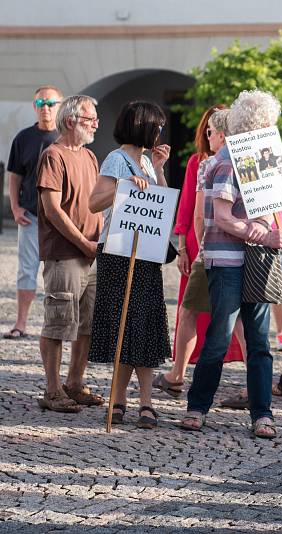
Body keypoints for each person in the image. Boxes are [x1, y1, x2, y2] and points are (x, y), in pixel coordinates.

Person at [180, 89, 282, 438]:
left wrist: (279, 231)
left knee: (258, 341)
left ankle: (262, 414)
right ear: (255, 125)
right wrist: (268, 236)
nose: (271, 130)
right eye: (268, 124)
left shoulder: (259, 159)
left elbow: (271, 211)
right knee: (219, 337)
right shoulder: (227, 162)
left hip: (255, 260)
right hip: (227, 261)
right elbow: (224, 218)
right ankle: (197, 407)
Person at [153, 105, 248, 402]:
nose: (208, 134)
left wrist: (196, 248)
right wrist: (182, 245)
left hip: (208, 246)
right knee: (229, 313)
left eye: (212, 129)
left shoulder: (213, 164)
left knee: (195, 312)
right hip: (216, 244)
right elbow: (185, 209)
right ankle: (179, 374)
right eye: (206, 129)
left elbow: (196, 213)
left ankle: (178, 376)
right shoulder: (202, 161)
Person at [87, 101, 171, 429]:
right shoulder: (116, 159)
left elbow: (164, 205)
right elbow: (95, 202)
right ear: (143, 126)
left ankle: (146, 402)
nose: (160, 132)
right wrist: (124, 187)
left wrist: (160, 169)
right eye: (157, 127)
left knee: (144, 328)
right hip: (119, 253)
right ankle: (119, 400)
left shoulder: (147, 162)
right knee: (125, 328)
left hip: (147, 251)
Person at [35, 94, 104, 413]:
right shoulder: (53, 155)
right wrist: (85, 244)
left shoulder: (89, 157)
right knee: (58, 323)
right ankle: (52, 390)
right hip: (65, 254)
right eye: (91, 119)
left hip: (91, 253)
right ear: (71, 120)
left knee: (86, 325)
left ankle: (75, 383)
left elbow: (96, 203)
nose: (96, 124)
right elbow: (53, 210)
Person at [5, 85, 62, 340]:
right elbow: (15, 176)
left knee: (57, 271)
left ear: (59, 106)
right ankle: (21, 323)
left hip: (58, 219)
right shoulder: (23, 138)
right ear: (34, 107)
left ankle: (56, 327)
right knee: (26, 269)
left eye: (50, 103)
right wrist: (15, 207)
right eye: (41, 104)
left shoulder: (65, 139)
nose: (46, 109)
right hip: (29, 215)